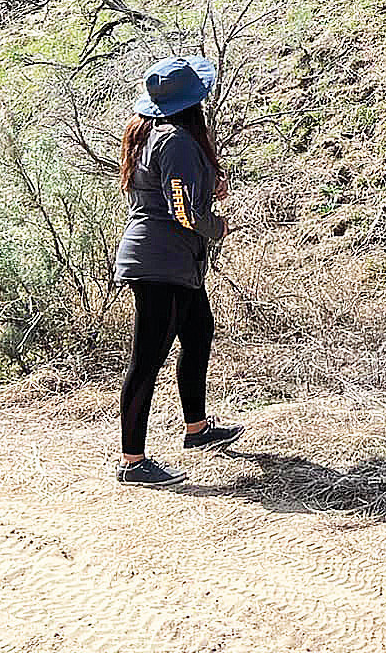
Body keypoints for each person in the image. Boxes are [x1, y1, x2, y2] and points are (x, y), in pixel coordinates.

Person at [111, 55, 244, 485]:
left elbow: (170, 191)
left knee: (199, 330)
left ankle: (197, 430)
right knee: (146, 360)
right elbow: (184, 210)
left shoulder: (148, 134)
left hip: (163, 258)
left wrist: (211, 188)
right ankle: (133, 462)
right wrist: (217, 226)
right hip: (163, 261)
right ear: (192, 103)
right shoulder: (178, 140)